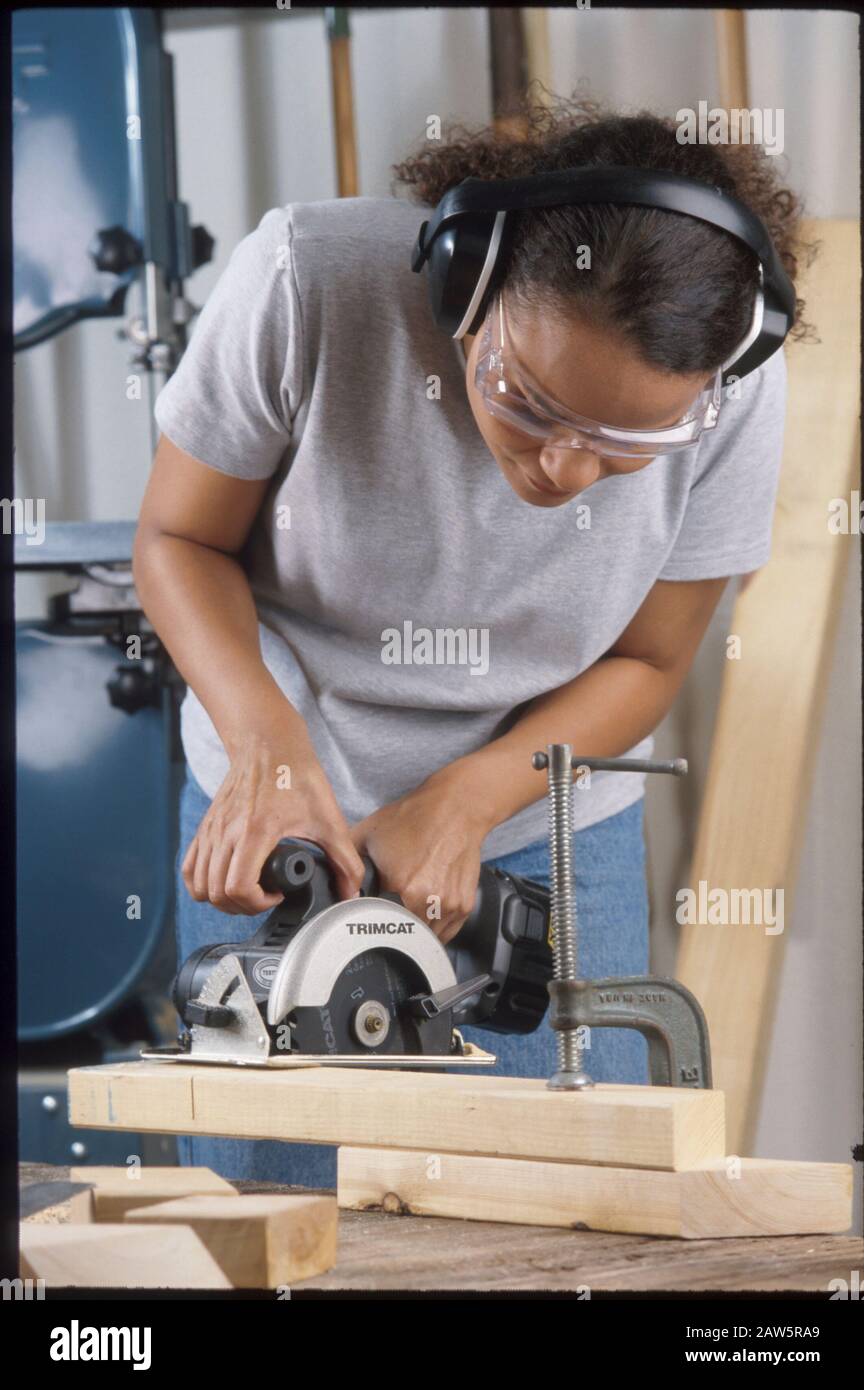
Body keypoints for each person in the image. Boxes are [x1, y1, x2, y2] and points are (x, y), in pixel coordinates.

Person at [132, 95, 810, 1187]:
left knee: (550, 1214)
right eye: (529, 402)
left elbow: (645, 664)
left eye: (625, 441)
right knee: (274, 1212)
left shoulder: (735, 384)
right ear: (465, 279)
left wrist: (470, 796)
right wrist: (266, 747)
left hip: (539, 816)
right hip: (283, 795)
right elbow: (175, 540)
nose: (566, 471)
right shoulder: (312, 282)